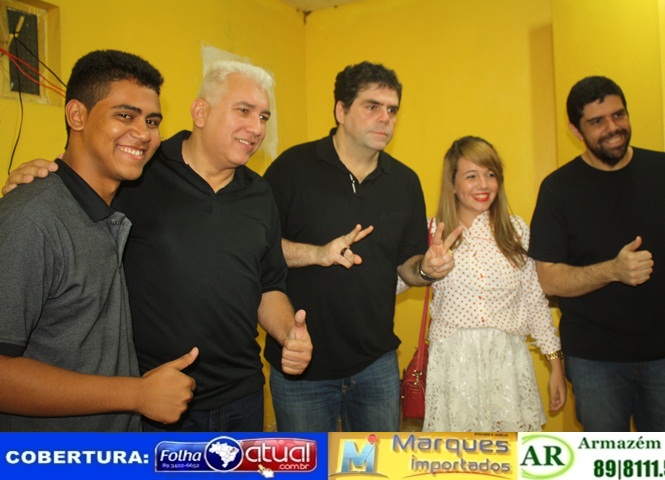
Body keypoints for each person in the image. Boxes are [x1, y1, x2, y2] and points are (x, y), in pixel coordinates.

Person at [2, 60, 313, 432]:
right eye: (244, 111)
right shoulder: (137, 174)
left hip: (234, 395)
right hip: (143, 403)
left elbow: (268, 283)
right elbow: (74, 181)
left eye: (263, 117)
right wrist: (38, 179)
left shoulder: (259, 193)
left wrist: (288, 334)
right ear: (201, 112)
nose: (257, 127)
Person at [0, 49, 198, 431]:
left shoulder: (111, 203)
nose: (144, 133)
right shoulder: (31, 219)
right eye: (125, 115)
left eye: (152, 121)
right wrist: (137, 394)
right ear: (77, 115)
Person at [263, 61, 461, 432]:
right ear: (341, 110)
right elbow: (259, 250)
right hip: (301, 365)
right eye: (372, 107)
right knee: (309, 464)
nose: (385, 118)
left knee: (378, 465)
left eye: (392, 110)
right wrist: (317, 254)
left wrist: (426, 268)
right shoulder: (292, 168)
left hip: (376, 365)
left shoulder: (404, 182)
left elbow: (407, 266)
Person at [529, 76, 665, 432]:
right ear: (576, 130)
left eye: (619, 115)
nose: (612, 128)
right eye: (597, 121)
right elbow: (549, 278)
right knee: (606, 461)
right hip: (594, 362)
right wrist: (612, 271)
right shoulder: (558, 189)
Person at [417, 136, 566, 432]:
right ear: (452, 184)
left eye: (490, 174)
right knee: (458, 454)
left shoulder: (516, 231)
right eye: (471, 176)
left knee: (509, 452)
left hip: (507, 362)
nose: (483, 185)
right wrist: (424, 268)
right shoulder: (432, 231)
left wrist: (555, 365)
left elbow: (535, 302)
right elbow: (396, 282)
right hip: (453, 362)